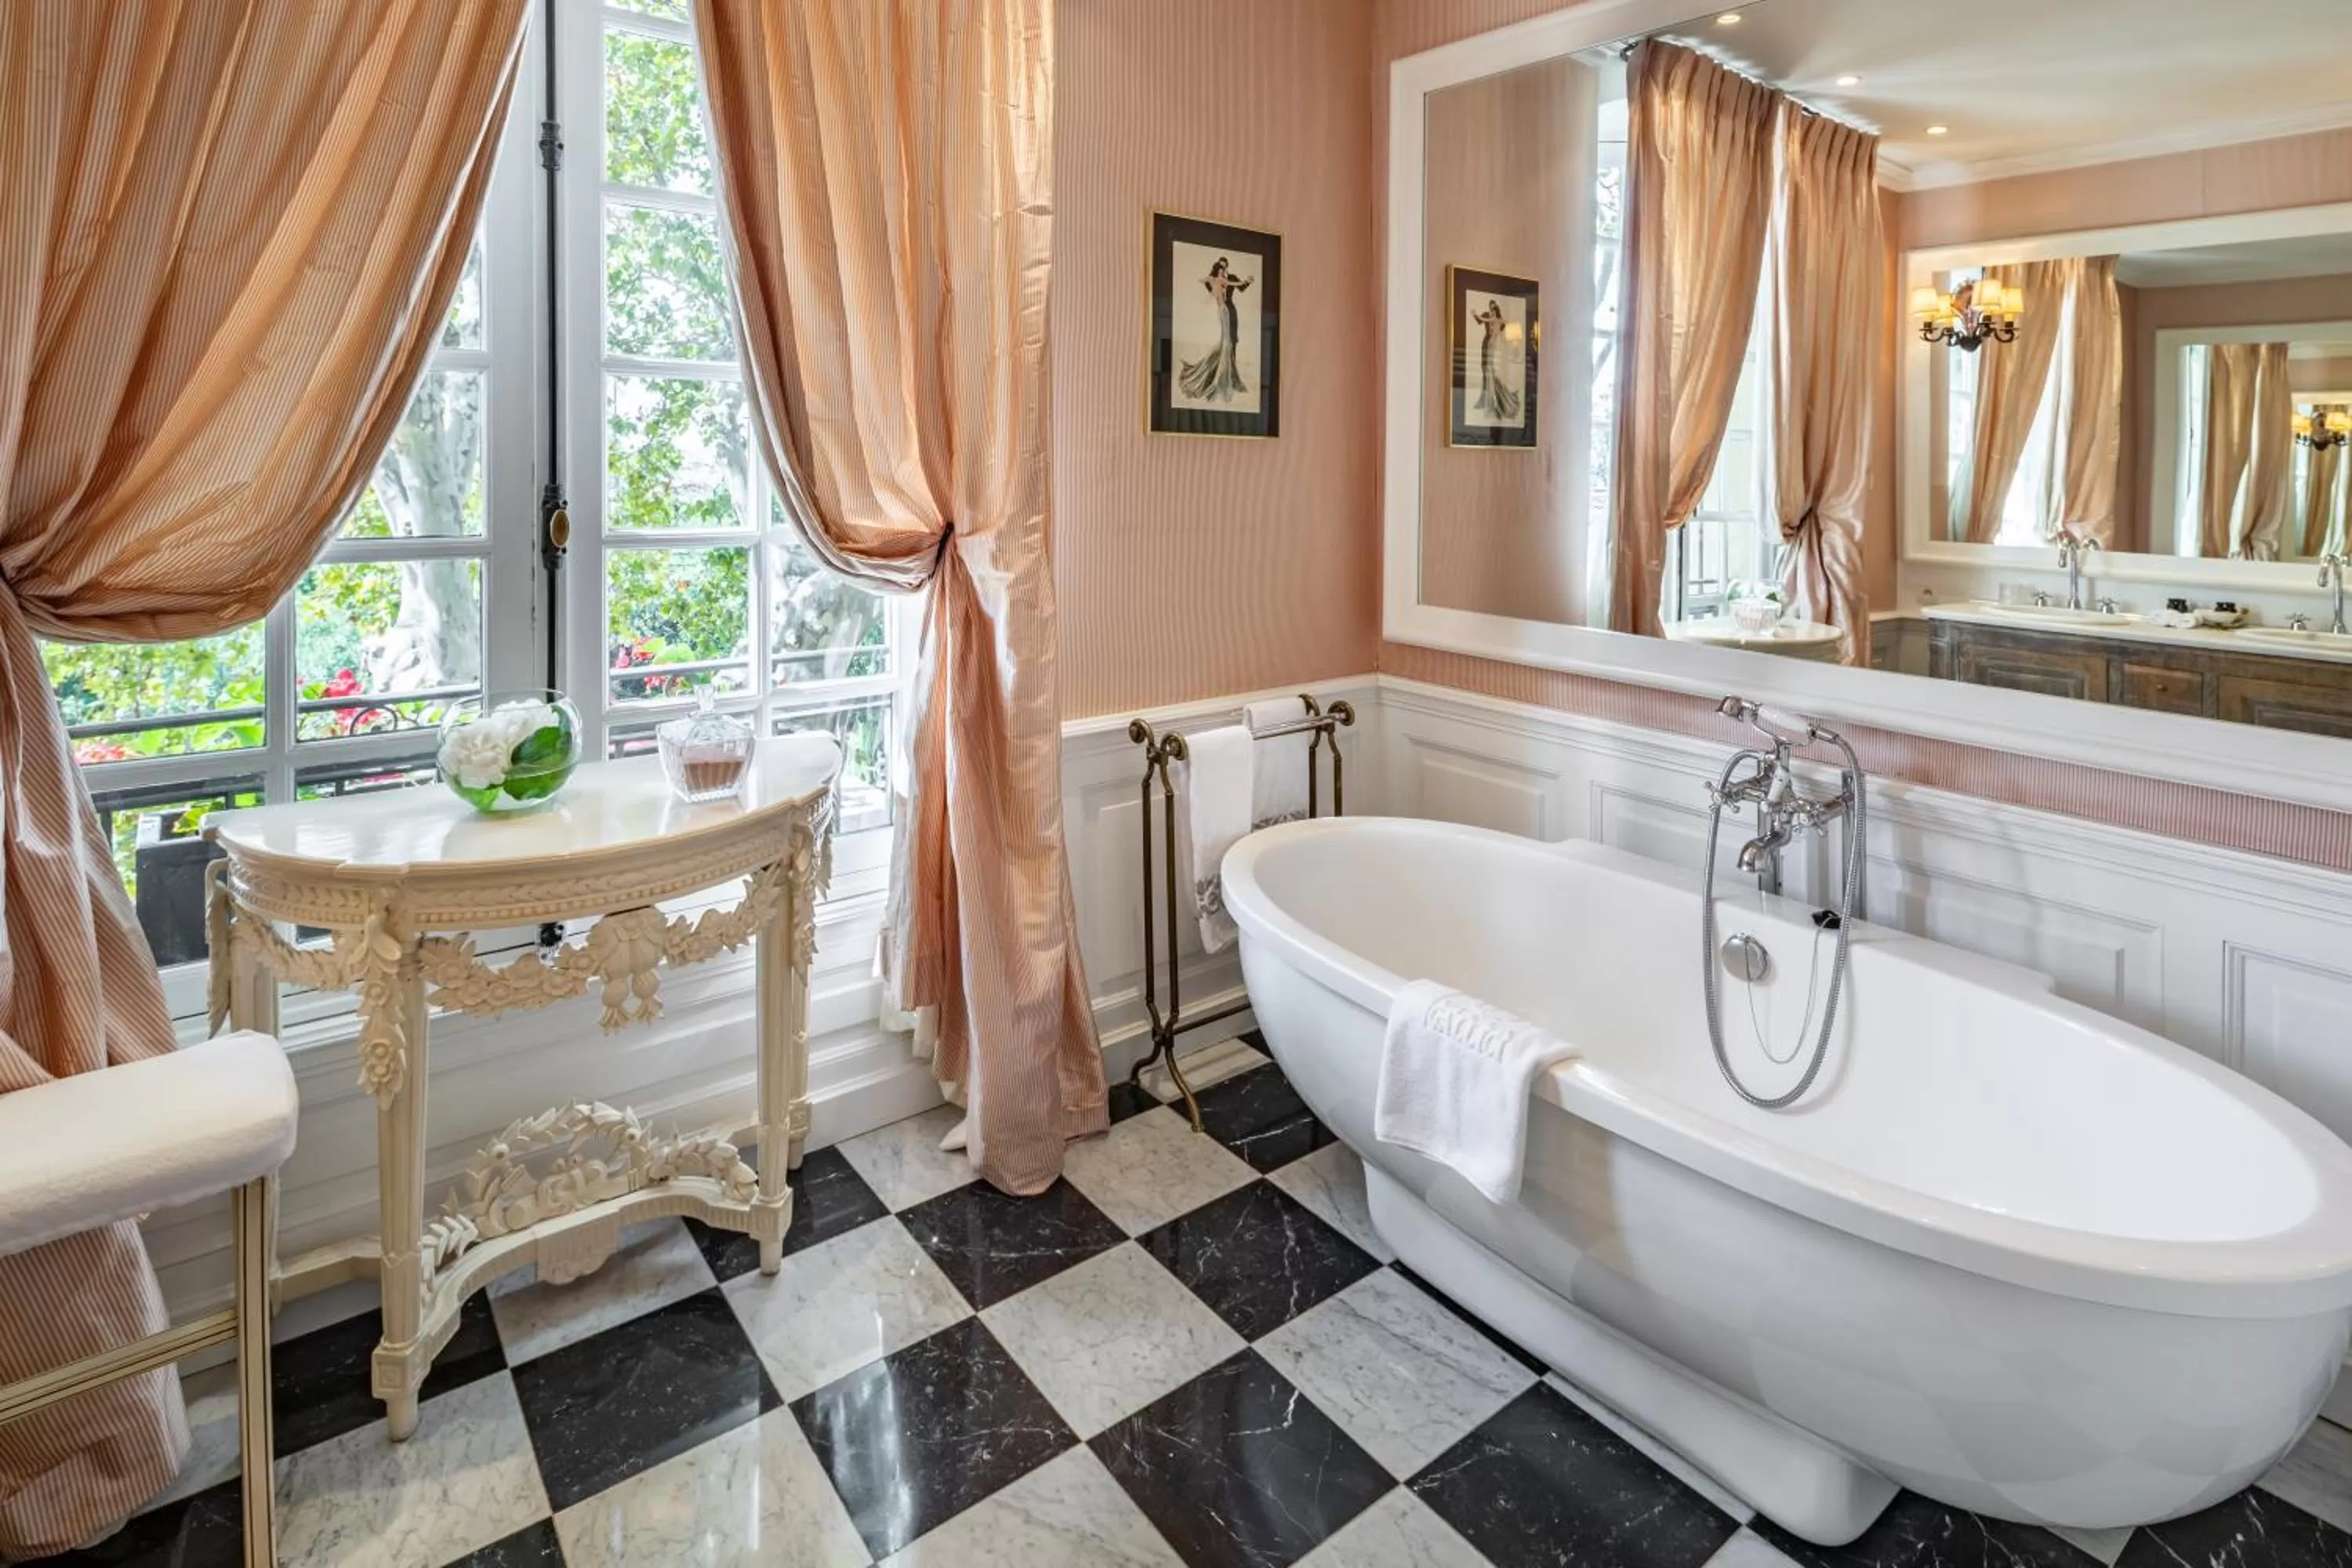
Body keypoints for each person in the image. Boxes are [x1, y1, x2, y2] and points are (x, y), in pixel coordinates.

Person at [1178, 256, 1253, 402]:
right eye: (1221, 267)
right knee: (1227, 342)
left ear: (1226, 267)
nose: (1223, 270)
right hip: (1224, 310)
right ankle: (1223, 374)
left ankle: (1230, 372)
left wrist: (1247, 282)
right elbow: (1210, 285)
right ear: (1218, 269)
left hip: (1230, 310)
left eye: (1224, 267)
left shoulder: (1224, 278)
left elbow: (1239, 286)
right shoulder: (1218, 280)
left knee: (1232, 340)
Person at [1474, 298, 1522, 422]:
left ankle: (1499, 401)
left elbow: (1505, 324)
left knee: (1492, 370)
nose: (1492, 312)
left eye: (1494, 310)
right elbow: (1485, 320)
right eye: (1491, 310)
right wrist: (1475, 315)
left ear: (1496, 311)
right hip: (1491, 344)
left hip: (1494, 344)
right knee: (1491, 370)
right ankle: (1495, 399)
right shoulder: (1497, 320)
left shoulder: (1496, 319)